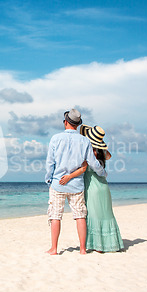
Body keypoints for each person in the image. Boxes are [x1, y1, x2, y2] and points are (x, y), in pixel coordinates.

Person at [44, 109, 107, 255]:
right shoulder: (85, 140)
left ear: (65, 122)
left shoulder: (55, 138)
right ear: (78, 125)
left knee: (55, 216)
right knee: (80, 215)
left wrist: (48, 179)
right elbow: (92, 162)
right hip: (77, 185)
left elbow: (50, 162)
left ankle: (54, 248)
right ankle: (83, 249)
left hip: (58, 183)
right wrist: (102, 173)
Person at [60, 125, 124, 253]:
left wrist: (68, 177)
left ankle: (99, 246)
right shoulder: (101, 152)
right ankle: (111, 244)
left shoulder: (88, 153)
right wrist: (100, 145)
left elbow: (82, 168)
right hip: (103, 186)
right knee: (106, 214)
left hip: (92, 187)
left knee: (94, 215)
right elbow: (109, 156)